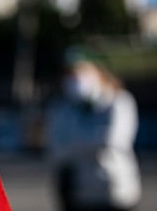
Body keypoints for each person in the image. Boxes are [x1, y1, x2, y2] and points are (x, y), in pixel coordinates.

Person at [47, 47, 141, 211]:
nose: (75, 79)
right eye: (70, 74)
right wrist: (90, 141)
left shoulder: (119, 101)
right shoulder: (62, 107)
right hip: (76, 193)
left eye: (81, 72)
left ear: (99, 72)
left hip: (115, 191)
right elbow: (55, 147)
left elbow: (113, 141)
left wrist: (72, 143)